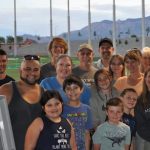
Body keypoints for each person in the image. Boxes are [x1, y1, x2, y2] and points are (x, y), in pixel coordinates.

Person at [0, 55, 43, 150]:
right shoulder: (6, 90)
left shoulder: (46, 93)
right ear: (20, 70)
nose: (32, 73)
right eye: (27, 69)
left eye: (36, 69)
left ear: (40, 72)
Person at [62, 74, 93, 150]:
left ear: (81, 89)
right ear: (65, 92)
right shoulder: (61, 109)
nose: (72, 91)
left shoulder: (87, 109)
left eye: (75, 88)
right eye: (68, 89)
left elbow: (87, 134)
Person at [134, 68, 150, 150]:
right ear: (145, 79)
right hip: (144, 139)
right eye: (149, 76)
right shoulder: (140, 99)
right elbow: (140, 123)